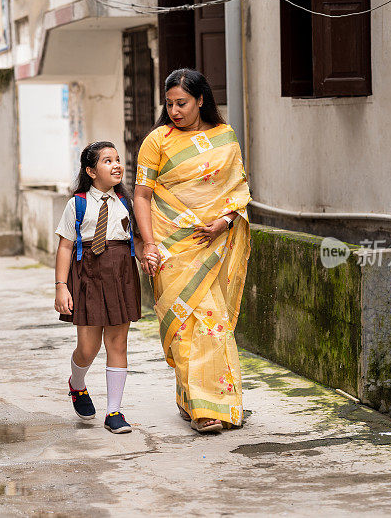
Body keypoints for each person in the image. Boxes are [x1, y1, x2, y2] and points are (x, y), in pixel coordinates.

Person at [133, 68, 252, 433]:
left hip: (213, 244)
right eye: (168, 104)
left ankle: (201, 403)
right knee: (186, 326)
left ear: (201, 100)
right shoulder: (157, 141)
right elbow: (141, 195)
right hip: (171, 249)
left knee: (213, 325)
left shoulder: (225, 137)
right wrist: (149, 244)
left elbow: (239, 191)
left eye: (181, 103)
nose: (175, 110)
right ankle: (202, 408)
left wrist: (225, 221)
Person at [53, 141, 156, 434]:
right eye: (107, 160)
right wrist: (61, 286)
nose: (116, 165)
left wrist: (147, 252)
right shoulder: (78, 203)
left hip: (120, 273)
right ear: (91, 170)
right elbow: (65, 246)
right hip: (87, 275)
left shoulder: (127, 202)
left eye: (118, 159)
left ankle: (114, 411)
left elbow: (133, 238)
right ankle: (78, 384)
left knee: (117, 344)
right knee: (88, 348)